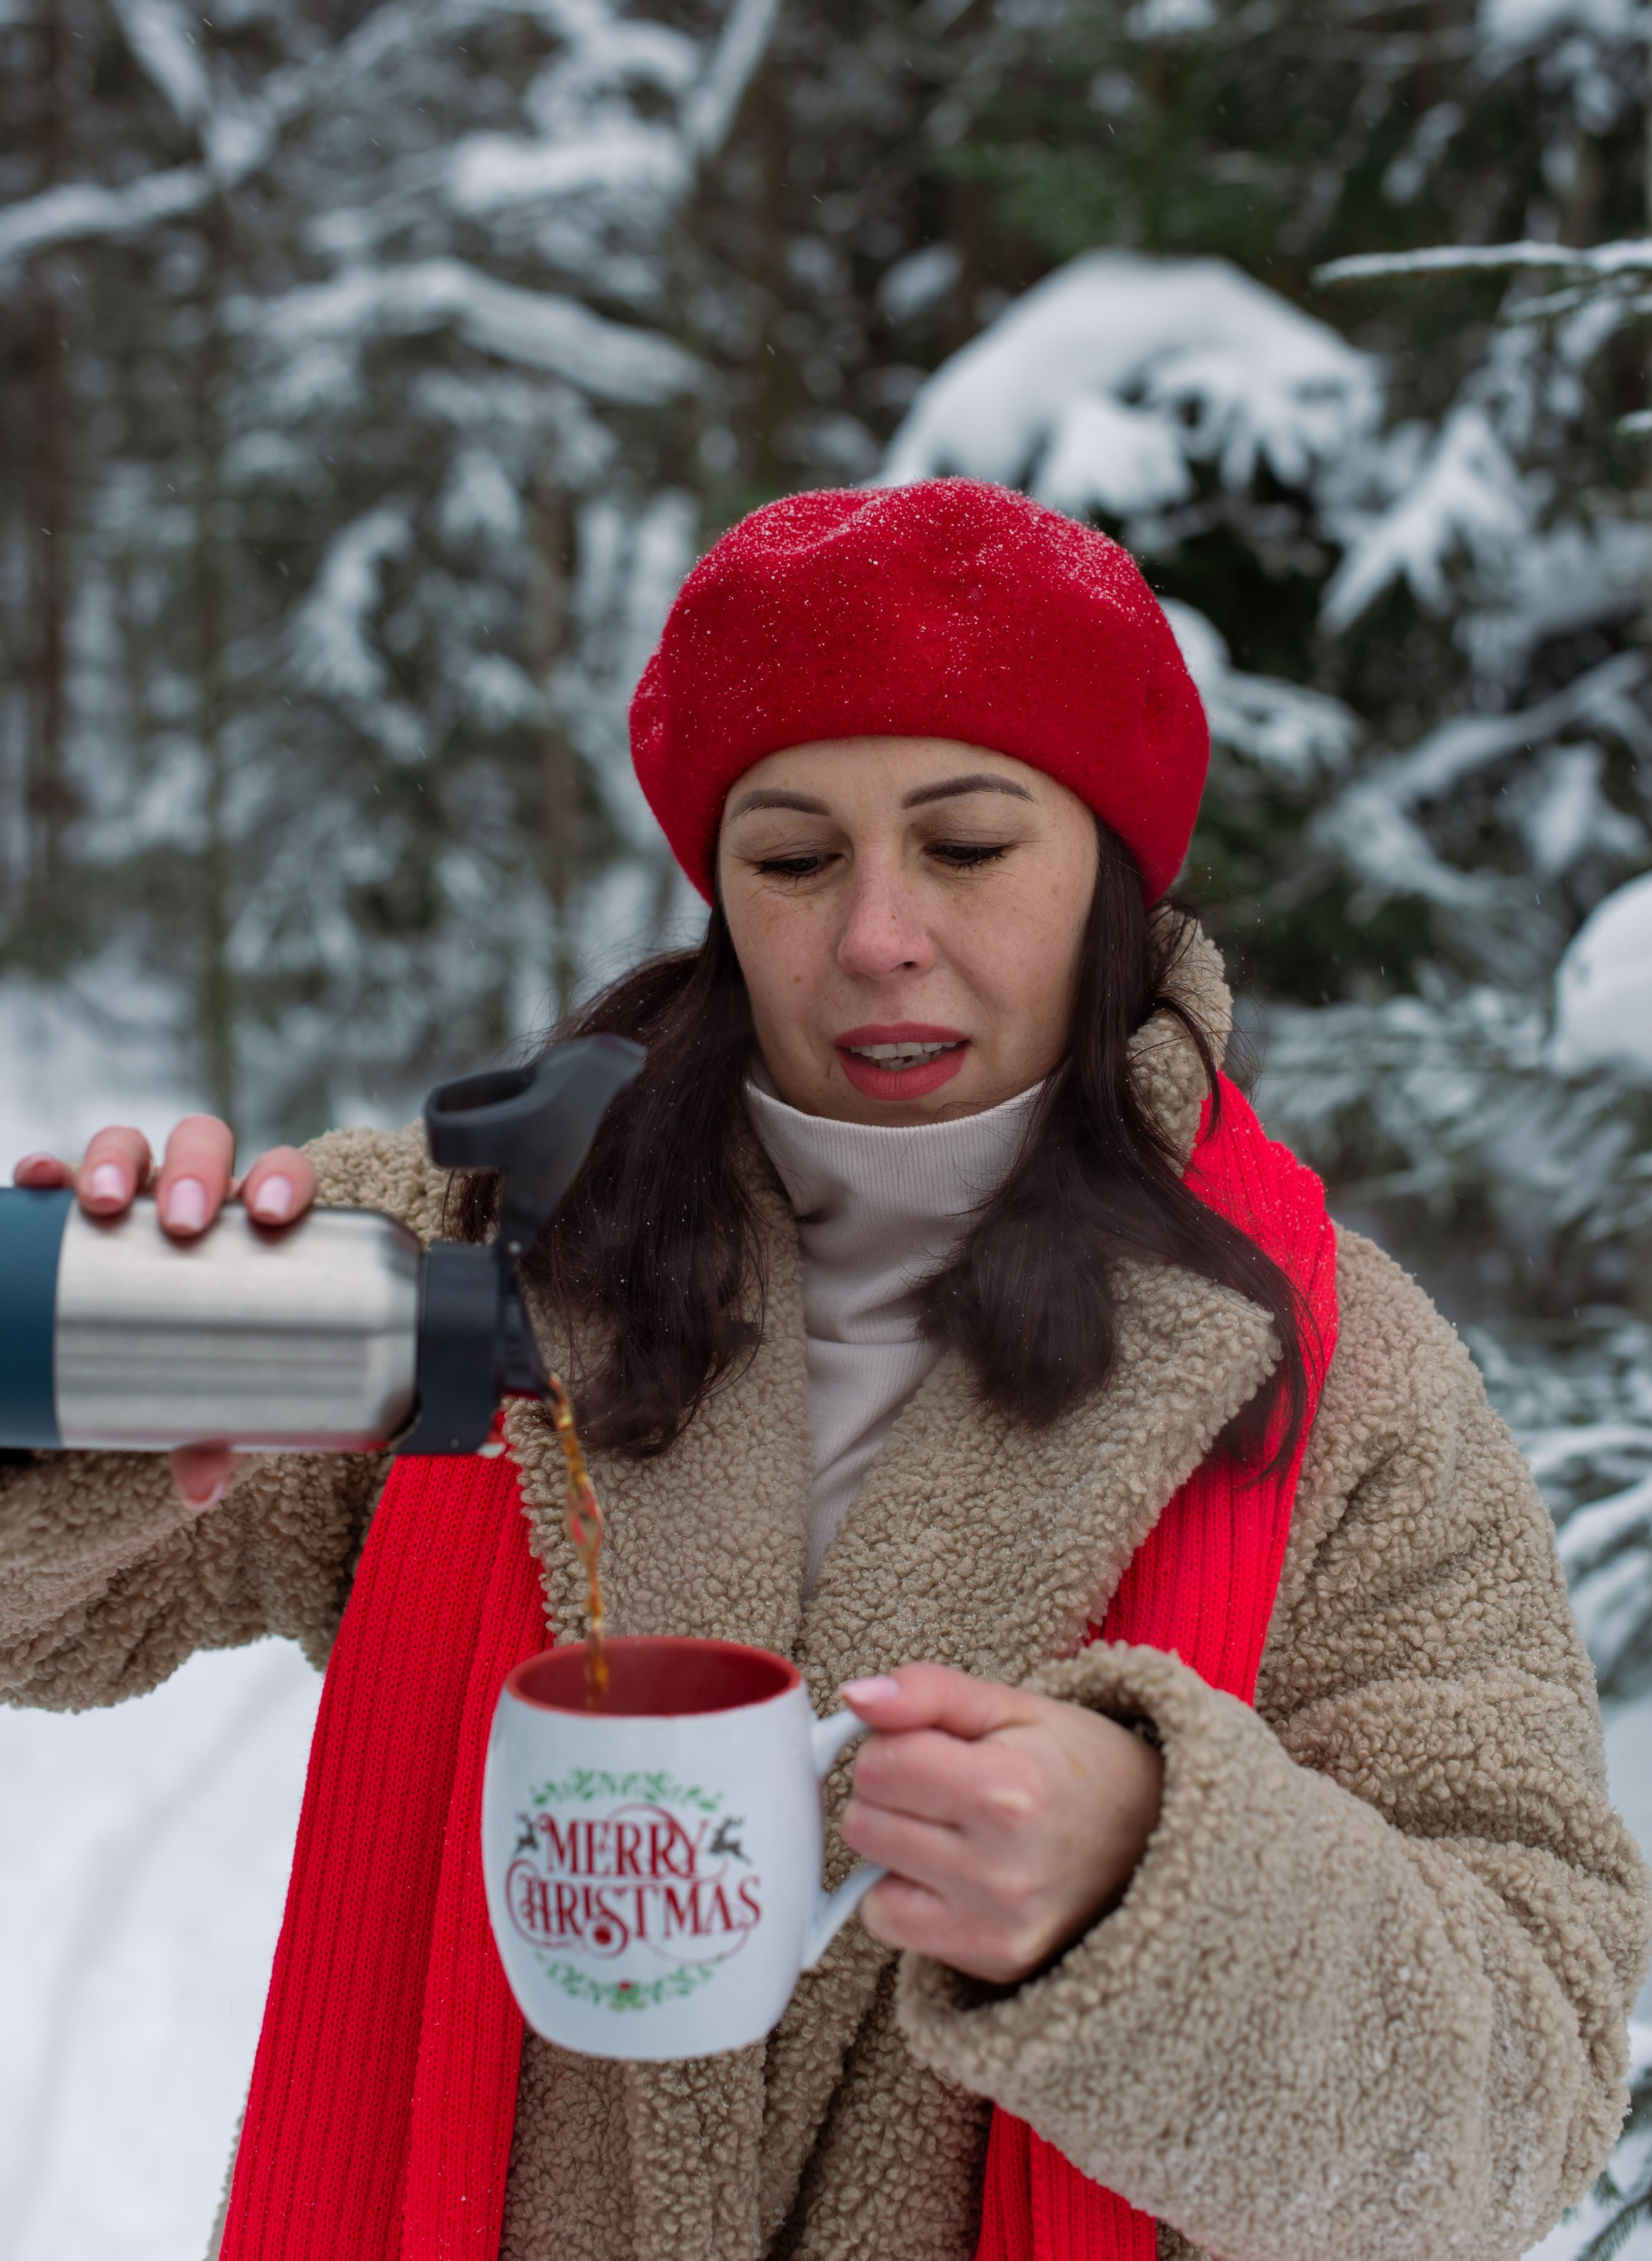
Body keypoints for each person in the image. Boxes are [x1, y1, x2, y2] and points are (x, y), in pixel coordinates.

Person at [4, 477, 1647, 2261]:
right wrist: (70, 1360)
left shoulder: (1329, 1373)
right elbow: (49, 1619)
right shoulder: (453, 1245)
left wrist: (1147, 1873)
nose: (876, 937)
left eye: (968, 846)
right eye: (793, 860)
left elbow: (1519, 2100)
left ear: (1108, 876)